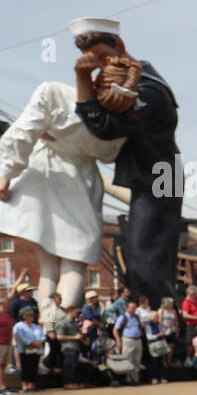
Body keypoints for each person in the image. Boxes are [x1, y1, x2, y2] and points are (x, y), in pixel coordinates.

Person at [70, 18, 182, 307]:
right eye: (96, 64)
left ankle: (159, 333)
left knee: (148, 260)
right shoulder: (139, 84)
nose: (103, 68)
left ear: (120, 46)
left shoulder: (149, 91)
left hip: (161, 176)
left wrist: (83, 81)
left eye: (105, 57)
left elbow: (106, 127)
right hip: (154, 176)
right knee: (138, 256)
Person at [0, 81, 124, 306]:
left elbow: (22, 132)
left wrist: (5, 176)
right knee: (73, 266)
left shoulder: (55, 93)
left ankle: (49, 330)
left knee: (48, 269)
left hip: (41, 176)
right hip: (81, 183)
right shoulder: (119, 127)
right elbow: (109, 157)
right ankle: (60, 323)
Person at [13, 306, 46, 392]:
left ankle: (32, 384)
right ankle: (25, 385)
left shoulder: (35, 326)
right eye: (30, 315)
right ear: (24, 316)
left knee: (34, 367)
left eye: (33, 315)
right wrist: (33, 343)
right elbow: (20, 337)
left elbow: (42, 335)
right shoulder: (18, 326)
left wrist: (41, 341)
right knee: (26, 367)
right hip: (25, 350)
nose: (33, 317)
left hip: (36, 350)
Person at [112, 299, 144, 385]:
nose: (133, 309)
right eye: (132, 307)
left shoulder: (137, 317)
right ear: (127, 308)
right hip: (128, 340)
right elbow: (115, 330)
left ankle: (136, 378)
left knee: (137, 359)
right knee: (128, 359)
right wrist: (118, 340)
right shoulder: (122, 317)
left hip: (137, 339)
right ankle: (128, 378)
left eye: (134, 307)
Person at [143, 309, 168, 384]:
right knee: (154, 361)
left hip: (160, 344)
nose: (158, 318)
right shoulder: (148, 325)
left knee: (161, 361)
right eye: (157, 317)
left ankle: (161, 377)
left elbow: (166, 331)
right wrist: (158, 335)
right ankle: (153, 377)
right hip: (153, 345)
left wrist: (163, 325)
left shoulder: (159, 324)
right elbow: (149, 336)